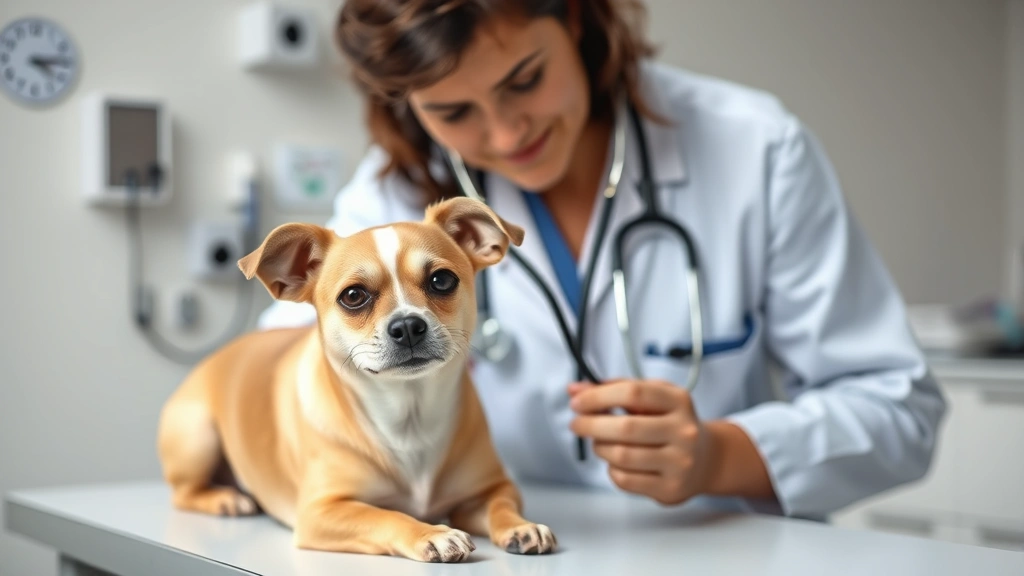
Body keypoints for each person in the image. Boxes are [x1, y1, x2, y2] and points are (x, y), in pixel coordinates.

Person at [257, 0, 947, 521]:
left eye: (525, 80)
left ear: (580, 23)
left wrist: (720, 453)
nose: (504, 132)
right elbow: (279, 362)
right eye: (453, 111)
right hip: (502, 546)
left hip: (720, 544)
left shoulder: (755, 148)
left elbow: (897, 407)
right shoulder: (398, 189)